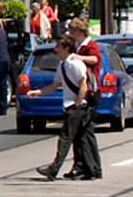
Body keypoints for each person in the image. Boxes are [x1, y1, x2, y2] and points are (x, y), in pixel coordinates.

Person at [26, 36, 101, 180]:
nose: (56, 52)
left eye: (58, 48)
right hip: (72, 106)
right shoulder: (62, 65)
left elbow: (83, 85)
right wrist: (38, 92)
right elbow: (54, 86)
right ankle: (92, 170)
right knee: (82, 138)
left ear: (66, 48)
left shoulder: (75, 63)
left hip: (77, 106)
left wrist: (77, 104)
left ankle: (53, 169)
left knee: (65, 138)